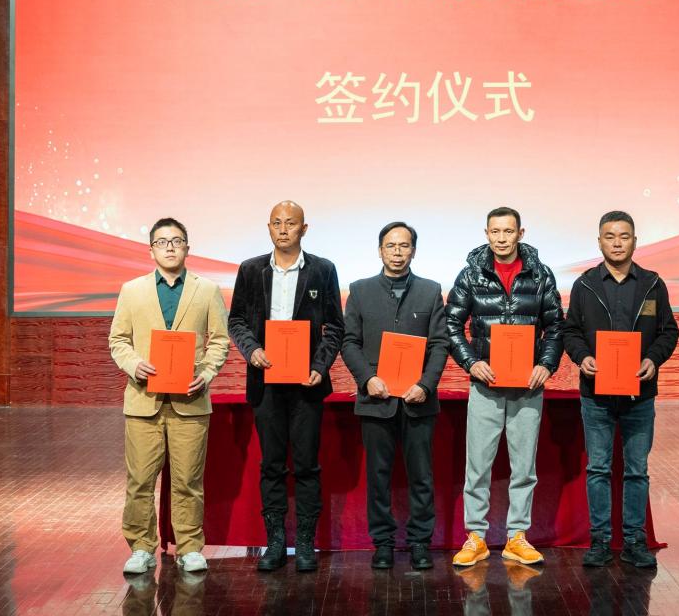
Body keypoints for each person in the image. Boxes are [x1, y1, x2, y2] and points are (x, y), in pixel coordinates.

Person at [227, 201, 345, 572]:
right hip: (266, 382)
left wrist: (320, 366)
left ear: (303, 229)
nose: (283, 229)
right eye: (276, 223)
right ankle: (275, 542)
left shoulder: (323, 270)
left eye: (290, 223)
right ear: (268, 227)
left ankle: (306, 542)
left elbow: (335, 327)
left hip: (306, 383)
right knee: (272, 465)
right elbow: (236, 321)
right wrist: (252, 350)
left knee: (307, 465)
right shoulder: (250, 270)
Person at [109, 217, 231, 575]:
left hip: (190, 402)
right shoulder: (132, 290)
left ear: (187, 248)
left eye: (176, 241)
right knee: (140, 481)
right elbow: (118, 340)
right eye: (162, 242)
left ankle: (189, 547)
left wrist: (205, 375)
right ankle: (141, 546)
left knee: (188, 480)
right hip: (143, 401)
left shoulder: (206, 290)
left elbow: (219, 341)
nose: (170, 247)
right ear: (151, 250)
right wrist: (134, 365)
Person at [446, 206, 563, 567]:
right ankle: (476, 537)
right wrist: (471, 362)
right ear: (486, 234)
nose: (501, 238)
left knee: (524, 468)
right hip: (486, 385)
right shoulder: (471, 275)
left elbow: (555, 326)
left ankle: (517, 536)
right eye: (495, 232)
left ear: (520, 233)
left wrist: (546, 364)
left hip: (528, 386)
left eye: (508, 231)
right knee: (478, 466)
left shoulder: (541, 274)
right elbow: (451, 326)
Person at [563, 210, 679, 569]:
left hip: (639, 396)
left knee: (636, 470)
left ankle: (634, 541)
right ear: (599, 242)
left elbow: (669, 331)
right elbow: (570, 332)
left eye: (624, 236)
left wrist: (653, 360)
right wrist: (582, 357)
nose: (617, 243)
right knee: (598, 468)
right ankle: (599, 542)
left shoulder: (652, 284)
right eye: (610, 237)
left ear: (634, 241)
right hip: (596, 395)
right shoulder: (584, 285)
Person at [341, 221, 450, 570]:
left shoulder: (431, 291)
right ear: (380, 251)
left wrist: (426, 384)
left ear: (413, 251)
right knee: (378, 476)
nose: (397, 252)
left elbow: (440, 344)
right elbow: (349, 342)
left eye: (404, 246)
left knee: (422, 477)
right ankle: (383, 543)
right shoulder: (360, 291)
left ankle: (420, 542)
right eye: (391, 246)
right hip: (377, 399)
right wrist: (367, 378)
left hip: (419, 400)